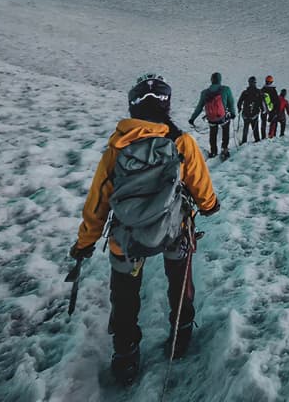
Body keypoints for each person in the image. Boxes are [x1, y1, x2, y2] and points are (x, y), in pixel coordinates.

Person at [69, 73, 220, 386]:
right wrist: (209, 206)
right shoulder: (181, 142)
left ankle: (126, 355)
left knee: (125, 297)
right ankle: (180, 336)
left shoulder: (117, 147)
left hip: (127, 239)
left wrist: (85, 242)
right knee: (180, 284)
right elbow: (201, 185)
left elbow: (98, 202)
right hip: (174, 230)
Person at [188, 71, 236, 160]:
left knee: (212, 134)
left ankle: (213, 151)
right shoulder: (226, 89)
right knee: (226, 131)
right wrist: (232, 113)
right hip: (222, 117)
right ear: (220, 80)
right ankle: (224, 149)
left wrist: (192, 118)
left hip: (211, 118)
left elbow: (199, 107)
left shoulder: (205, 92)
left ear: (211, 80)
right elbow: (231, 103)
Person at [238, 76, 264, 143]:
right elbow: (261, 102)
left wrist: (239, 108)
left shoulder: (245, 92)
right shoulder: (259, 92)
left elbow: (239, 102)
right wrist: (262, 109)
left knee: (245, 128)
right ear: (255, 83)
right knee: (255, 128)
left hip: (246, 114)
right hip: (254, 114)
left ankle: (244, 142)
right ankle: (257, 140)